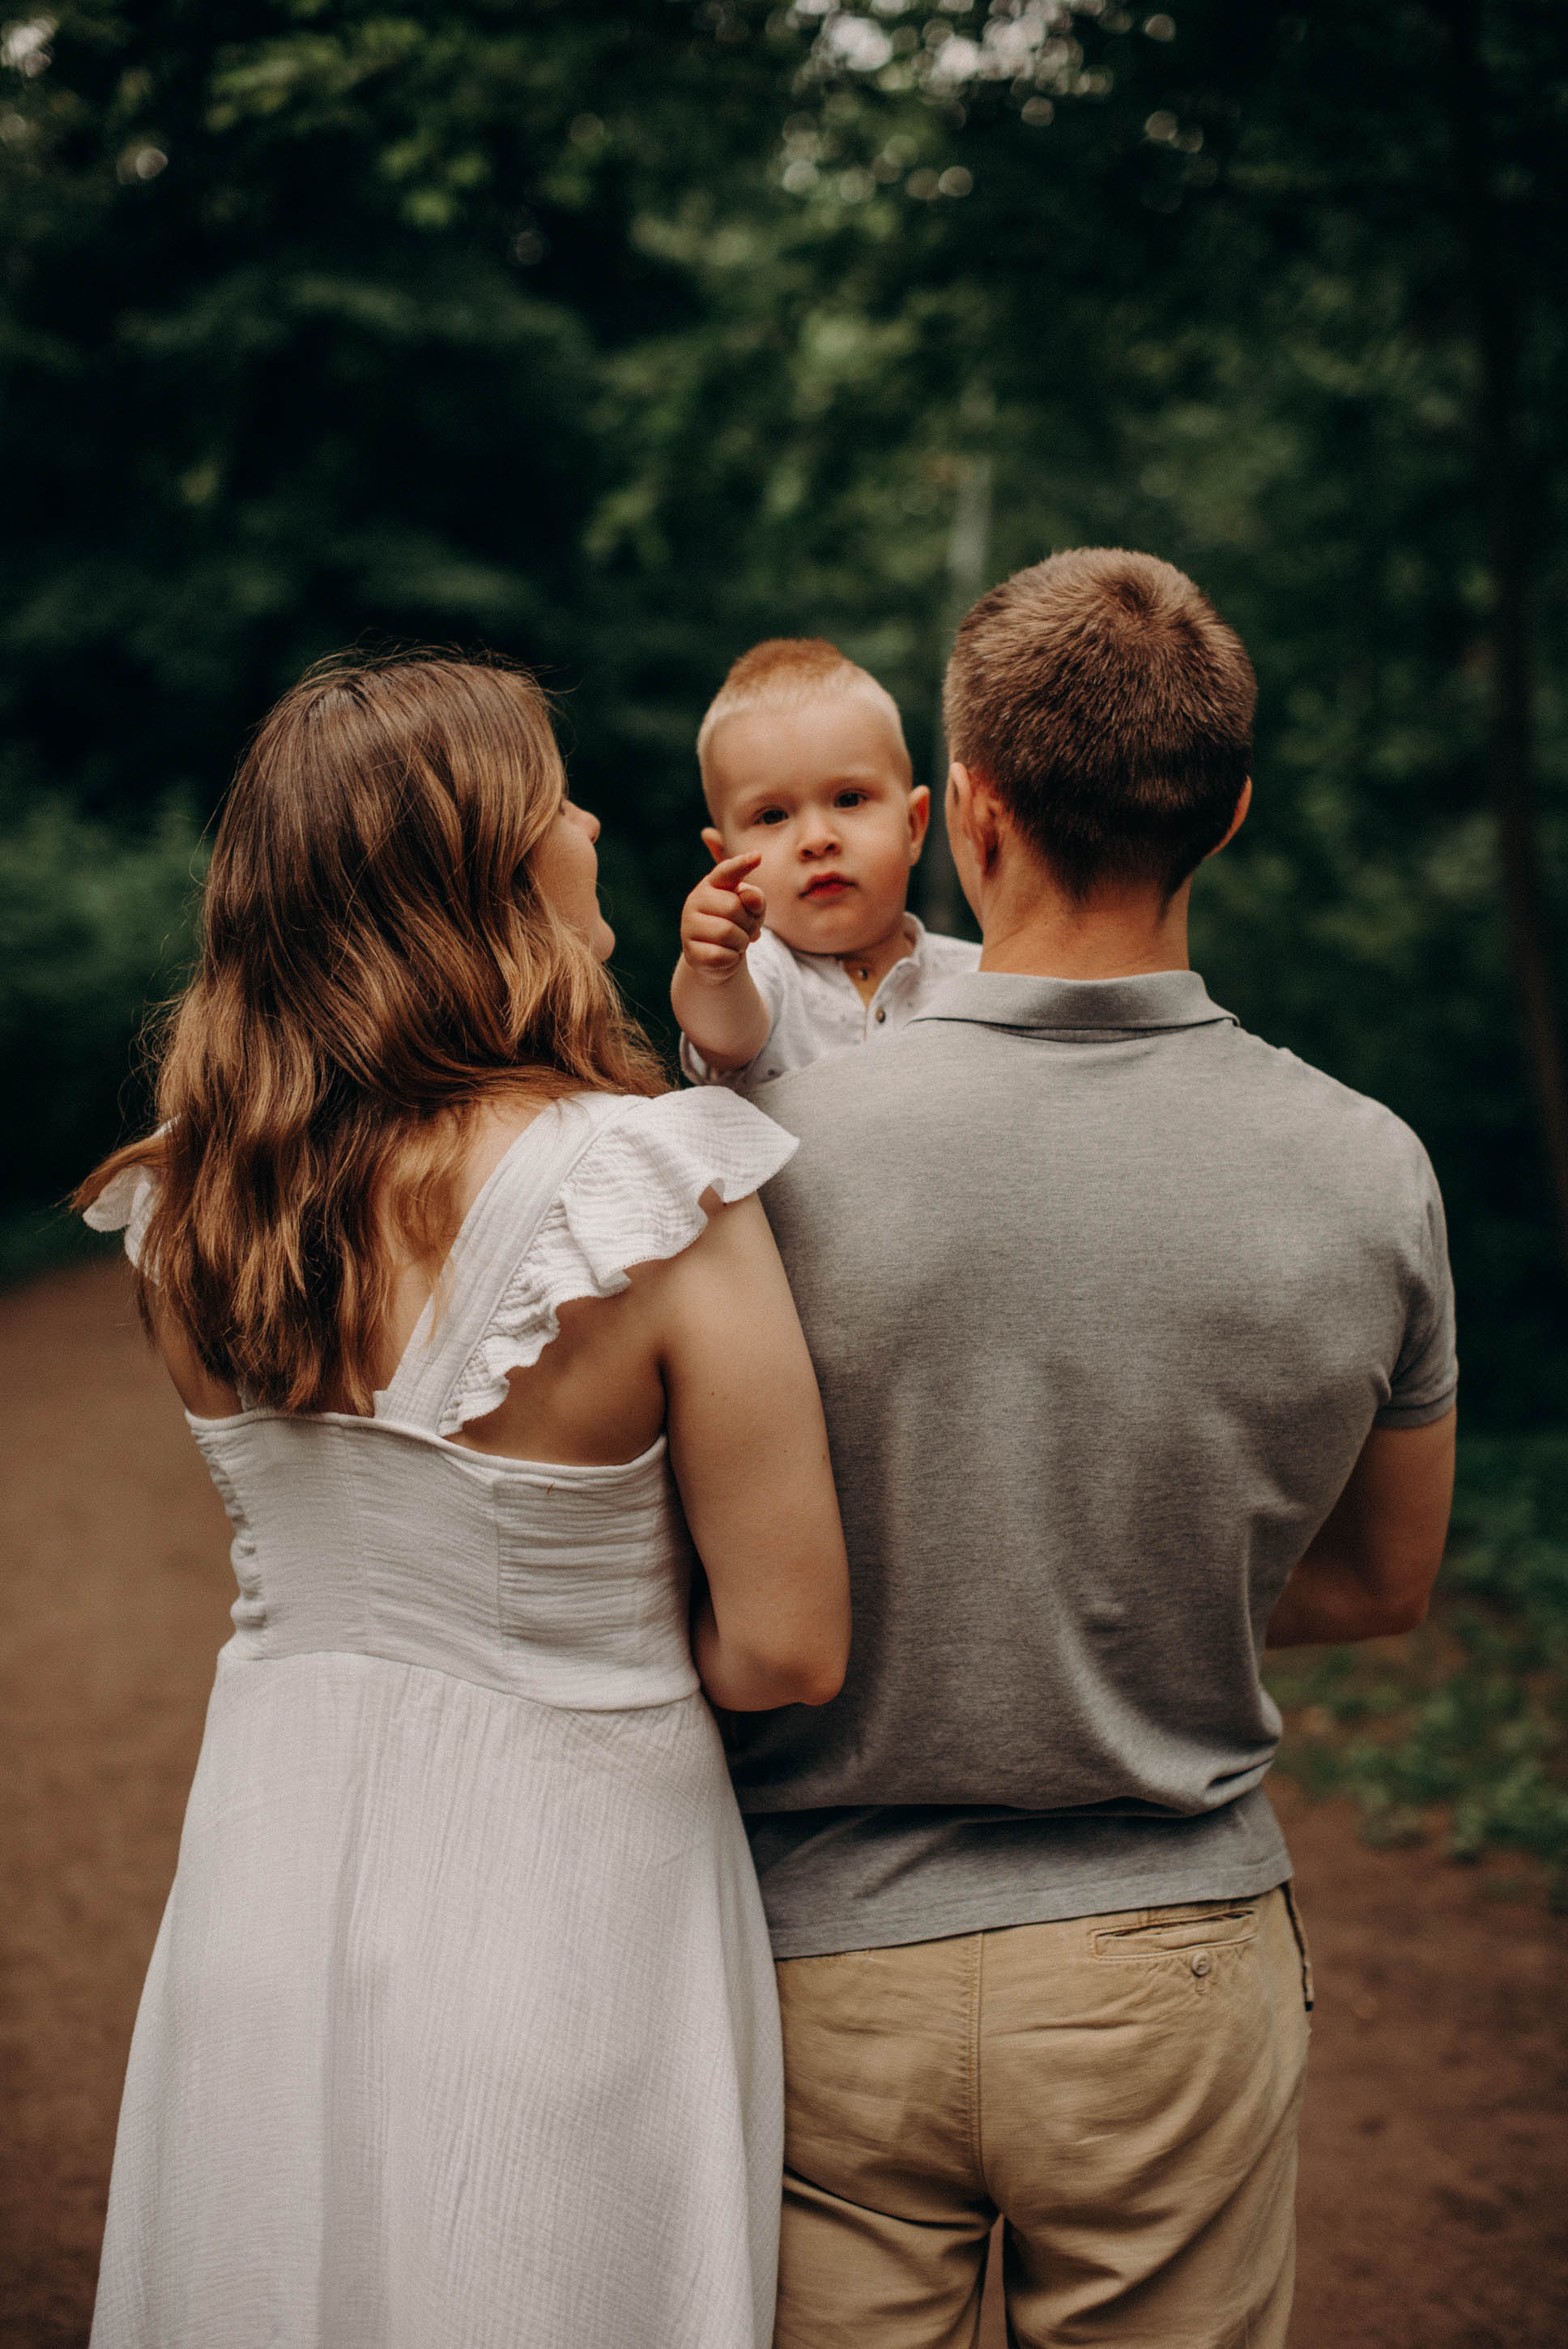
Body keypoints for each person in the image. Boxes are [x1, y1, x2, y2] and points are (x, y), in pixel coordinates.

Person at [75, 654, 851, 2349]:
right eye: (555, 793)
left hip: (268, 1889)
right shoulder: (641, 1186)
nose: (586, 818)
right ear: (483, 867)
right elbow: (789, 1642)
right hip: (569, 1896)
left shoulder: (187, 1206)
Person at [730, 550, 1459, 2349]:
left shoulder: (761, 1161)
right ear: (1224, 816)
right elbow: (1380, 1584)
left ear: (960, 808)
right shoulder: (1367, 1168)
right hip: (1169, 1960)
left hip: (822, 1963)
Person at [672, 637, 979, 1094]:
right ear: (725, 860)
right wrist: (712, 969)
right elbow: (724, 1037)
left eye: (849, 799)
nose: (816, 840)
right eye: (772, 815)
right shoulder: (762, 969)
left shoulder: (979, 975)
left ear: (914, 826)